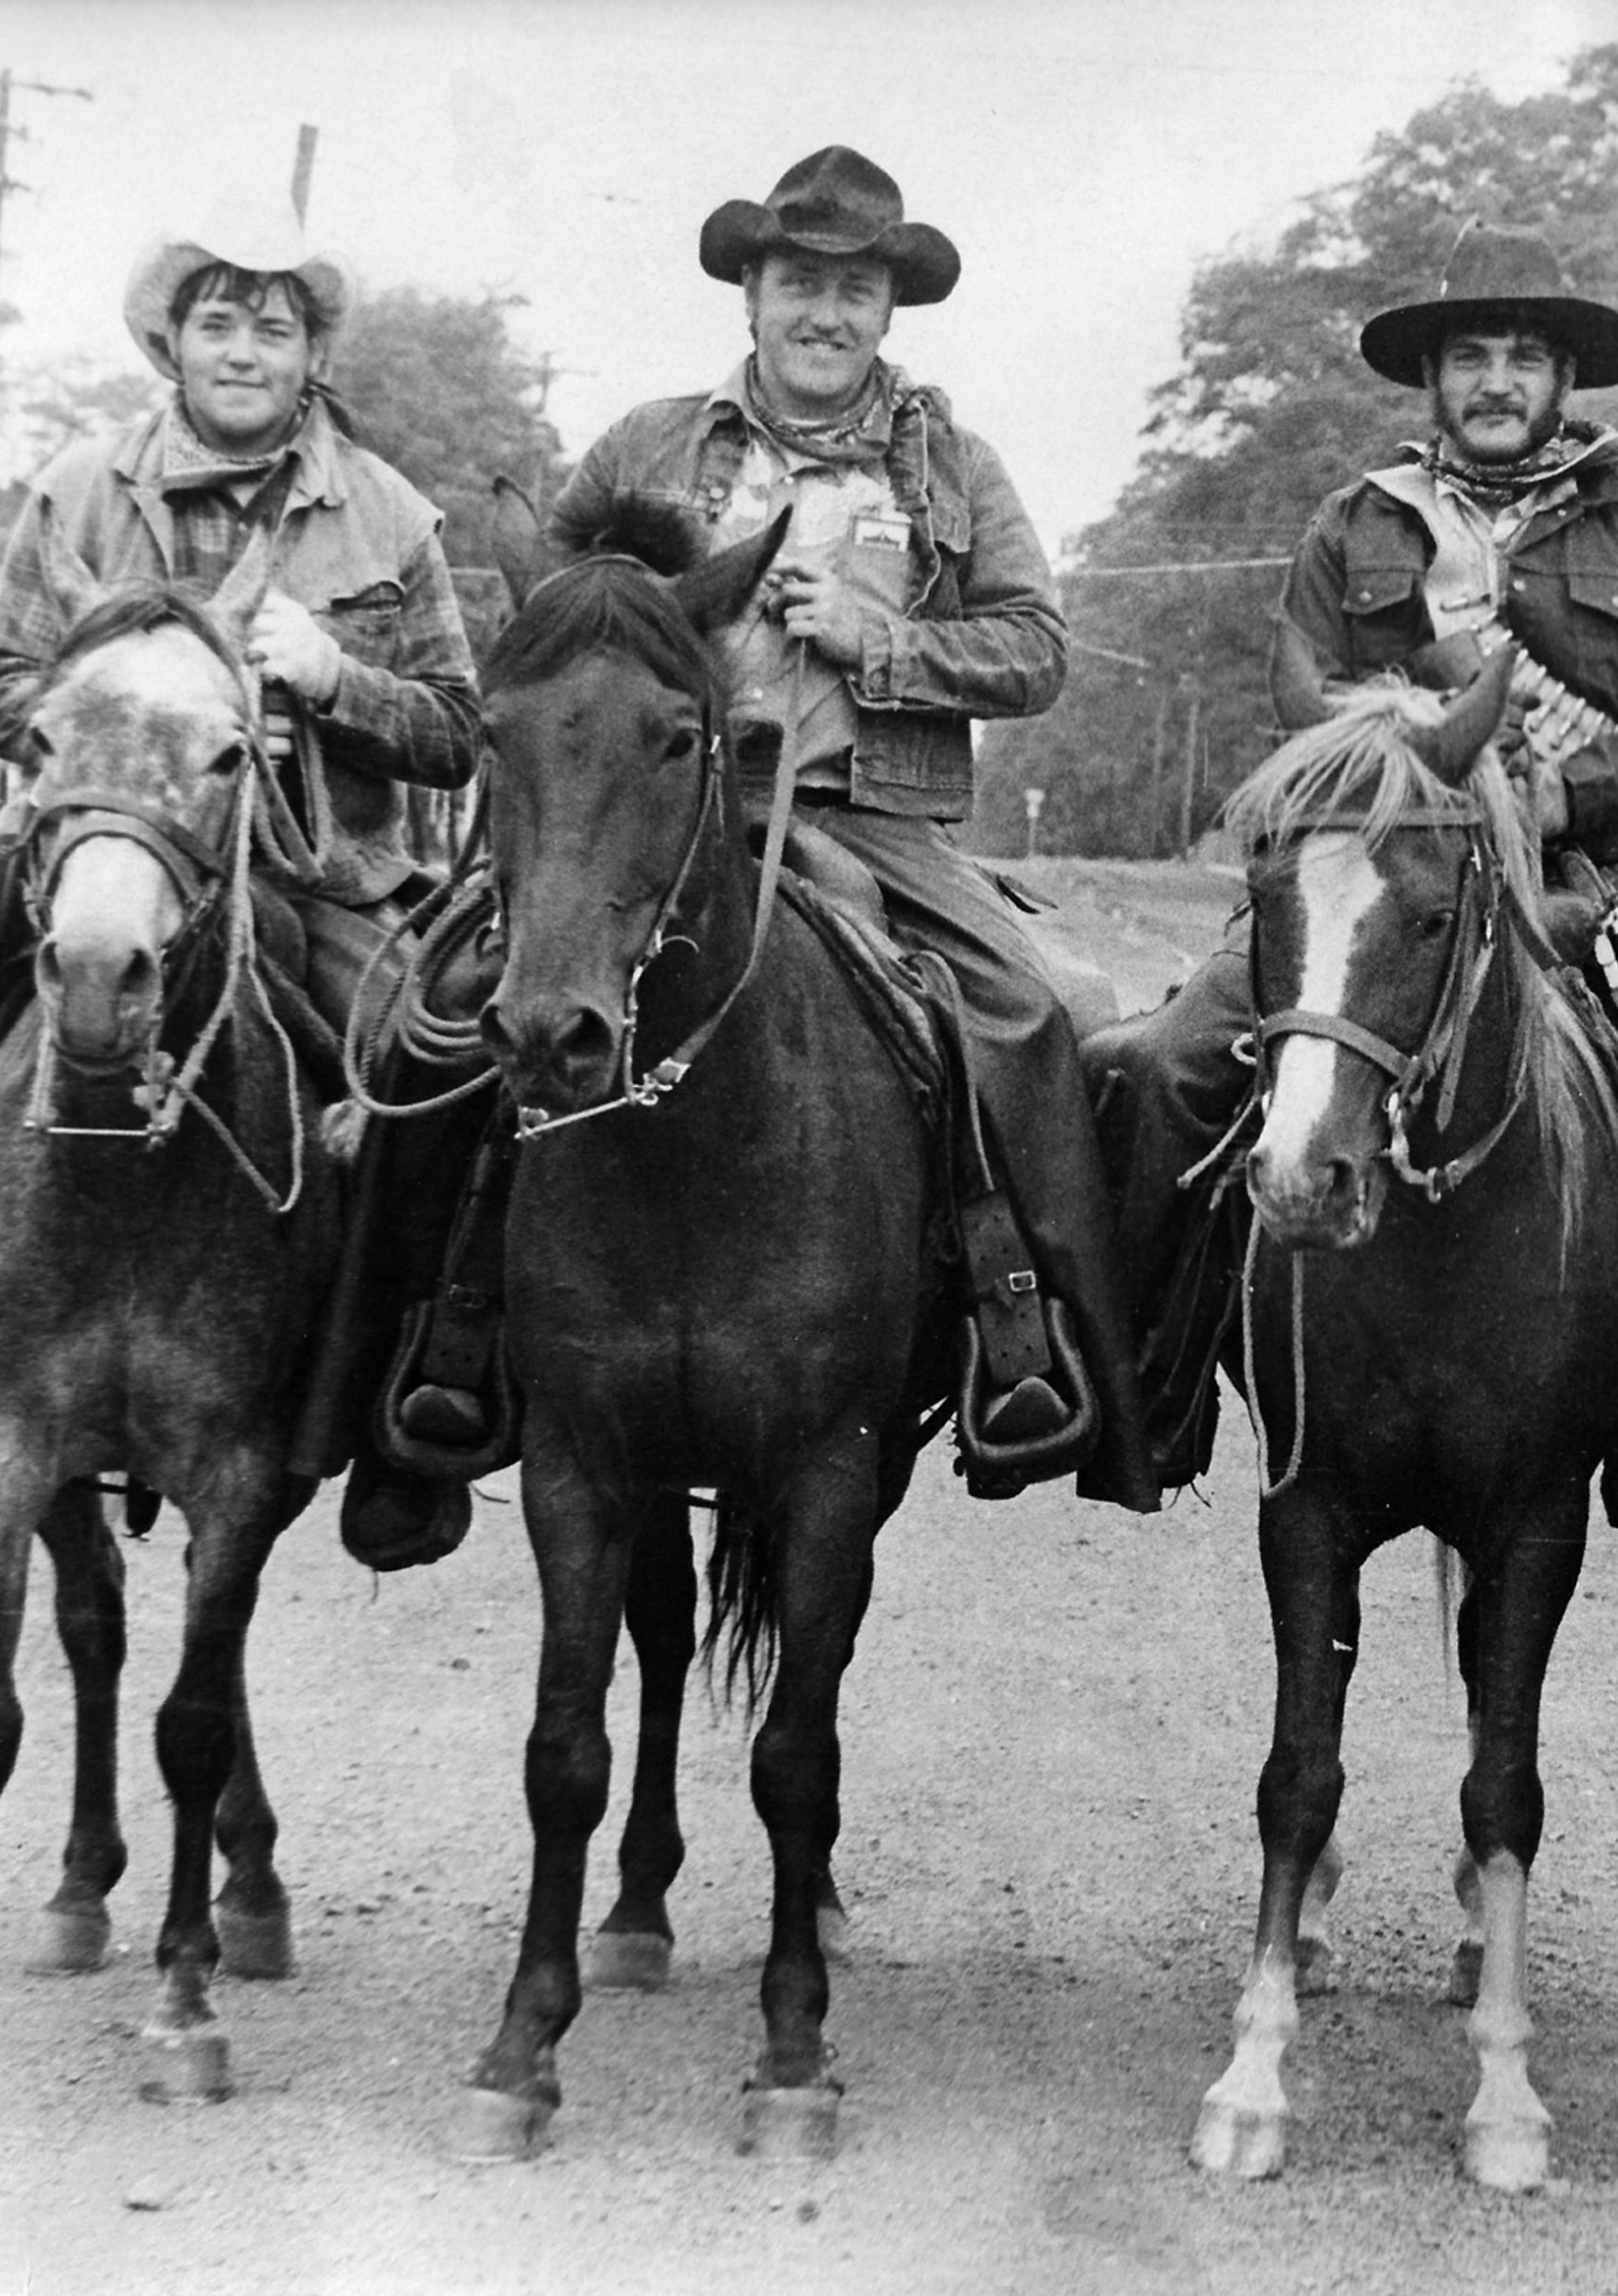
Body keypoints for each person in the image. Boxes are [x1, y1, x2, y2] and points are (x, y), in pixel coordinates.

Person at [0, 205, 485, 1564]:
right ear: (171, 341)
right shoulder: (83, 486)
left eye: (274, 322)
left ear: (312, 352)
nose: (242, 346)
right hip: (89, 843)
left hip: (310, 870)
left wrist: (330, 676)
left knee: (442, 1069)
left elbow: (452, 726)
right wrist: (122, 713)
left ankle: (411, 1406)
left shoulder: (388, 514)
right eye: (217, 319)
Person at [1086, 223, 1618, 1487]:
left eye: (1523, 356)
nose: (1497, 379)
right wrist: (1396, 764)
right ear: (1435, 380)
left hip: (1567, 882)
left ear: (1562, 383)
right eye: (1472, 355)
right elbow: (1299, 699)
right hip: (1370, 879)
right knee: (1176, 1063)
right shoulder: (1354, 524)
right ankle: (1145, 1388)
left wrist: (1553, 797)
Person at [537, 145, 1156, 1512]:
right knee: (467, 996)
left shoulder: (954, 463)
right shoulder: (646, 445)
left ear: (889, 310)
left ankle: (1030, 1340)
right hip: (655, 827)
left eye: (855, 289)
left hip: (868, 822)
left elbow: (1038, 650)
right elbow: (550, 616)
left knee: (1045, 1012)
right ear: (750, 296)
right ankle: (442, 1331)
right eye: (799, 281)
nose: (826, 312)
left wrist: (888, 642)